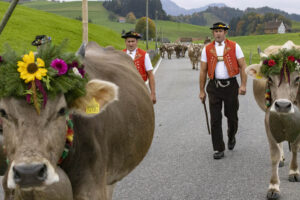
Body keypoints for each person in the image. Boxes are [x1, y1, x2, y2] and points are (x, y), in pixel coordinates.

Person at [199, 22, 247, 159]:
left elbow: (243, 66)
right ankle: (218, 148)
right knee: (215, 118)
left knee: (232, 117)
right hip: (213, 86)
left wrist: (243, 85)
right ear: (213, 33)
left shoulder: (235, 46)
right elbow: (202, 71)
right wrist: (201, 91)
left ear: (225, 33)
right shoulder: (206, 49)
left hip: (231, 85)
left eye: (220, 31)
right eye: (215, 31)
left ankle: (231, 135)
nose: (218, 33)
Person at [122, 31, 156, 104]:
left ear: (137, 42)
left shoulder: (144, 55)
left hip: (141, 89)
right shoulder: (120, 54)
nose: (130, 44)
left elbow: (150, 74)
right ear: (125, 42)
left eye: (133, 41)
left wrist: (153, 93)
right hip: (124, 91)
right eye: (128, 41)